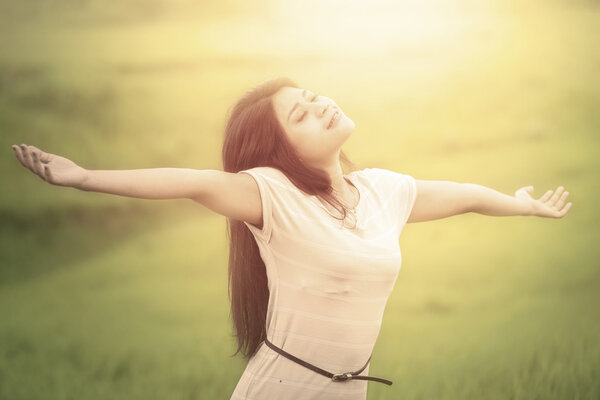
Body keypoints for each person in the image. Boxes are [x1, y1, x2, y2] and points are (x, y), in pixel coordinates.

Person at [11, 77, 572, 400]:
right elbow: (191, 183)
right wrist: (83, 177)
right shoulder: (272, 195)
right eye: (301, 114)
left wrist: (521, 205)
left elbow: (466, 194)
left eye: (312, 95)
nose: (321, 104)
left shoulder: (383, 191)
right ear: (281, 152)